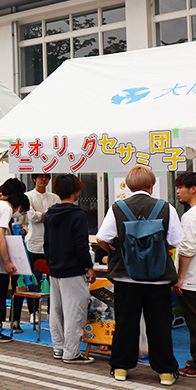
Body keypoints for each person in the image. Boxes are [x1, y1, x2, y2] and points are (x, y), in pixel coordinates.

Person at [96, 165, 182, 386]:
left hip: (127, 276)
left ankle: (121, 368)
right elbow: (174, 240)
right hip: (159, 277)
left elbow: (102, 238)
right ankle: (165, 372)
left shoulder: (118, 208)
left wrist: (114, 250)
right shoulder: (166, 208)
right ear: (151, 185)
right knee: (160, 324)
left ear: (128, 185)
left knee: (126, 323)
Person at [44, 174, 96, 363]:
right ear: (76, 191)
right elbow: (81, 245)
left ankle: (58, 348)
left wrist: (50, 263)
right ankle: (72, 353)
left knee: (56, 311)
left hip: (55, 269)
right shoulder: (77, 214)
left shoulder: (50, 213)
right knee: (75, 312)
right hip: (73, 270)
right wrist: (89, 267)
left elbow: (46, 243)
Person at [0, 179, 29, 343]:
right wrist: (8, 262)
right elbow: (0, 238)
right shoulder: (6, 208)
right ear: (19, 207)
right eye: (21, 212)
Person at [19, 173, 61, 329]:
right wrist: (48, 214)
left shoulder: (54, 197)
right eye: (41, 177)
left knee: (54, 280)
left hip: (52, 243)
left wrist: (42, 214)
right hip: (34, 243)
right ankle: (33, 312)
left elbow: (56, 217)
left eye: (46, 177)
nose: (44, 180)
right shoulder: (28, 196)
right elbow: (32, 217)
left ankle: (52, 312)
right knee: (33, 279)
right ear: (34, 179)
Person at [174, 172, 196, 378]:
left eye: (180, 187)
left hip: (192, 279)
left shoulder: (190, 216)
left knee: (194, 323)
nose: (178, 192)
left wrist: (180, 277)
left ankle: (195, 364)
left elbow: (188, 249)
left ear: (193, 189)